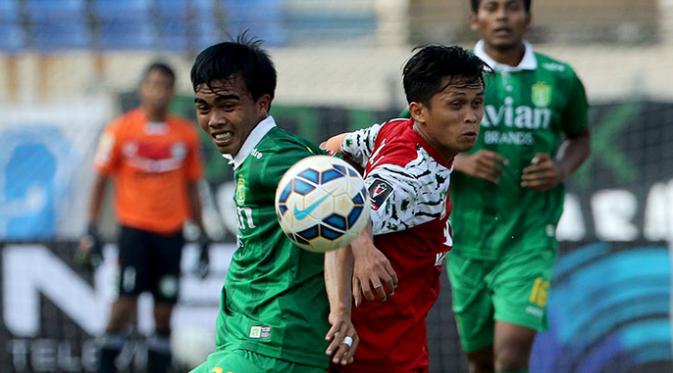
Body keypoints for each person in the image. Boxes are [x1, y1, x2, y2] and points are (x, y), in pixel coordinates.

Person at [188, 35, 358, 373]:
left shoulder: (272, 156)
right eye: (204, 107)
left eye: (228, 105)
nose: (215, 120)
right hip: (247, 339)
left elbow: (343, 196)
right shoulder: (255, 156)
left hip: (275, 345)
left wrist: (342, 310)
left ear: (262, 104)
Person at [445, 1, 592, 372]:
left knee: (510, 356)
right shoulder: (449, 75)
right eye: (491, 8)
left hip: (530, 238)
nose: (502, 16)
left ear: (528, 17)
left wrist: (560, 168)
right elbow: (413, 139)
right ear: (474, 18)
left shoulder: (559, 76)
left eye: (512, 8)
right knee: (480, 360)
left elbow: (580, 138)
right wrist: (461, 161)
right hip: (467, 239)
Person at [323, 45, 487, 373]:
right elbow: (347, 215)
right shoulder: (411, 177)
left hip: (402, 345)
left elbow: (338, 145)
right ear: (419, 110)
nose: (470, 116)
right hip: (374, 356)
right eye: (456, 105)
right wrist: (342, 307)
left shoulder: (395, 131)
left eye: (476, 103)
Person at [77, 62, 210, 373]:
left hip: (172, 234)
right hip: (134, 232)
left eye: (164, 85)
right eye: (152, 84)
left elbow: (192, 188)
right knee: (123, 304)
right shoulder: (119, 130)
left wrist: (202, 234)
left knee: (164, 312)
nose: (158, 91)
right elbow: (99, 182)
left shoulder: (186, 135)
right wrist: (90, 228)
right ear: (141, 89)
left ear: (173, 92)